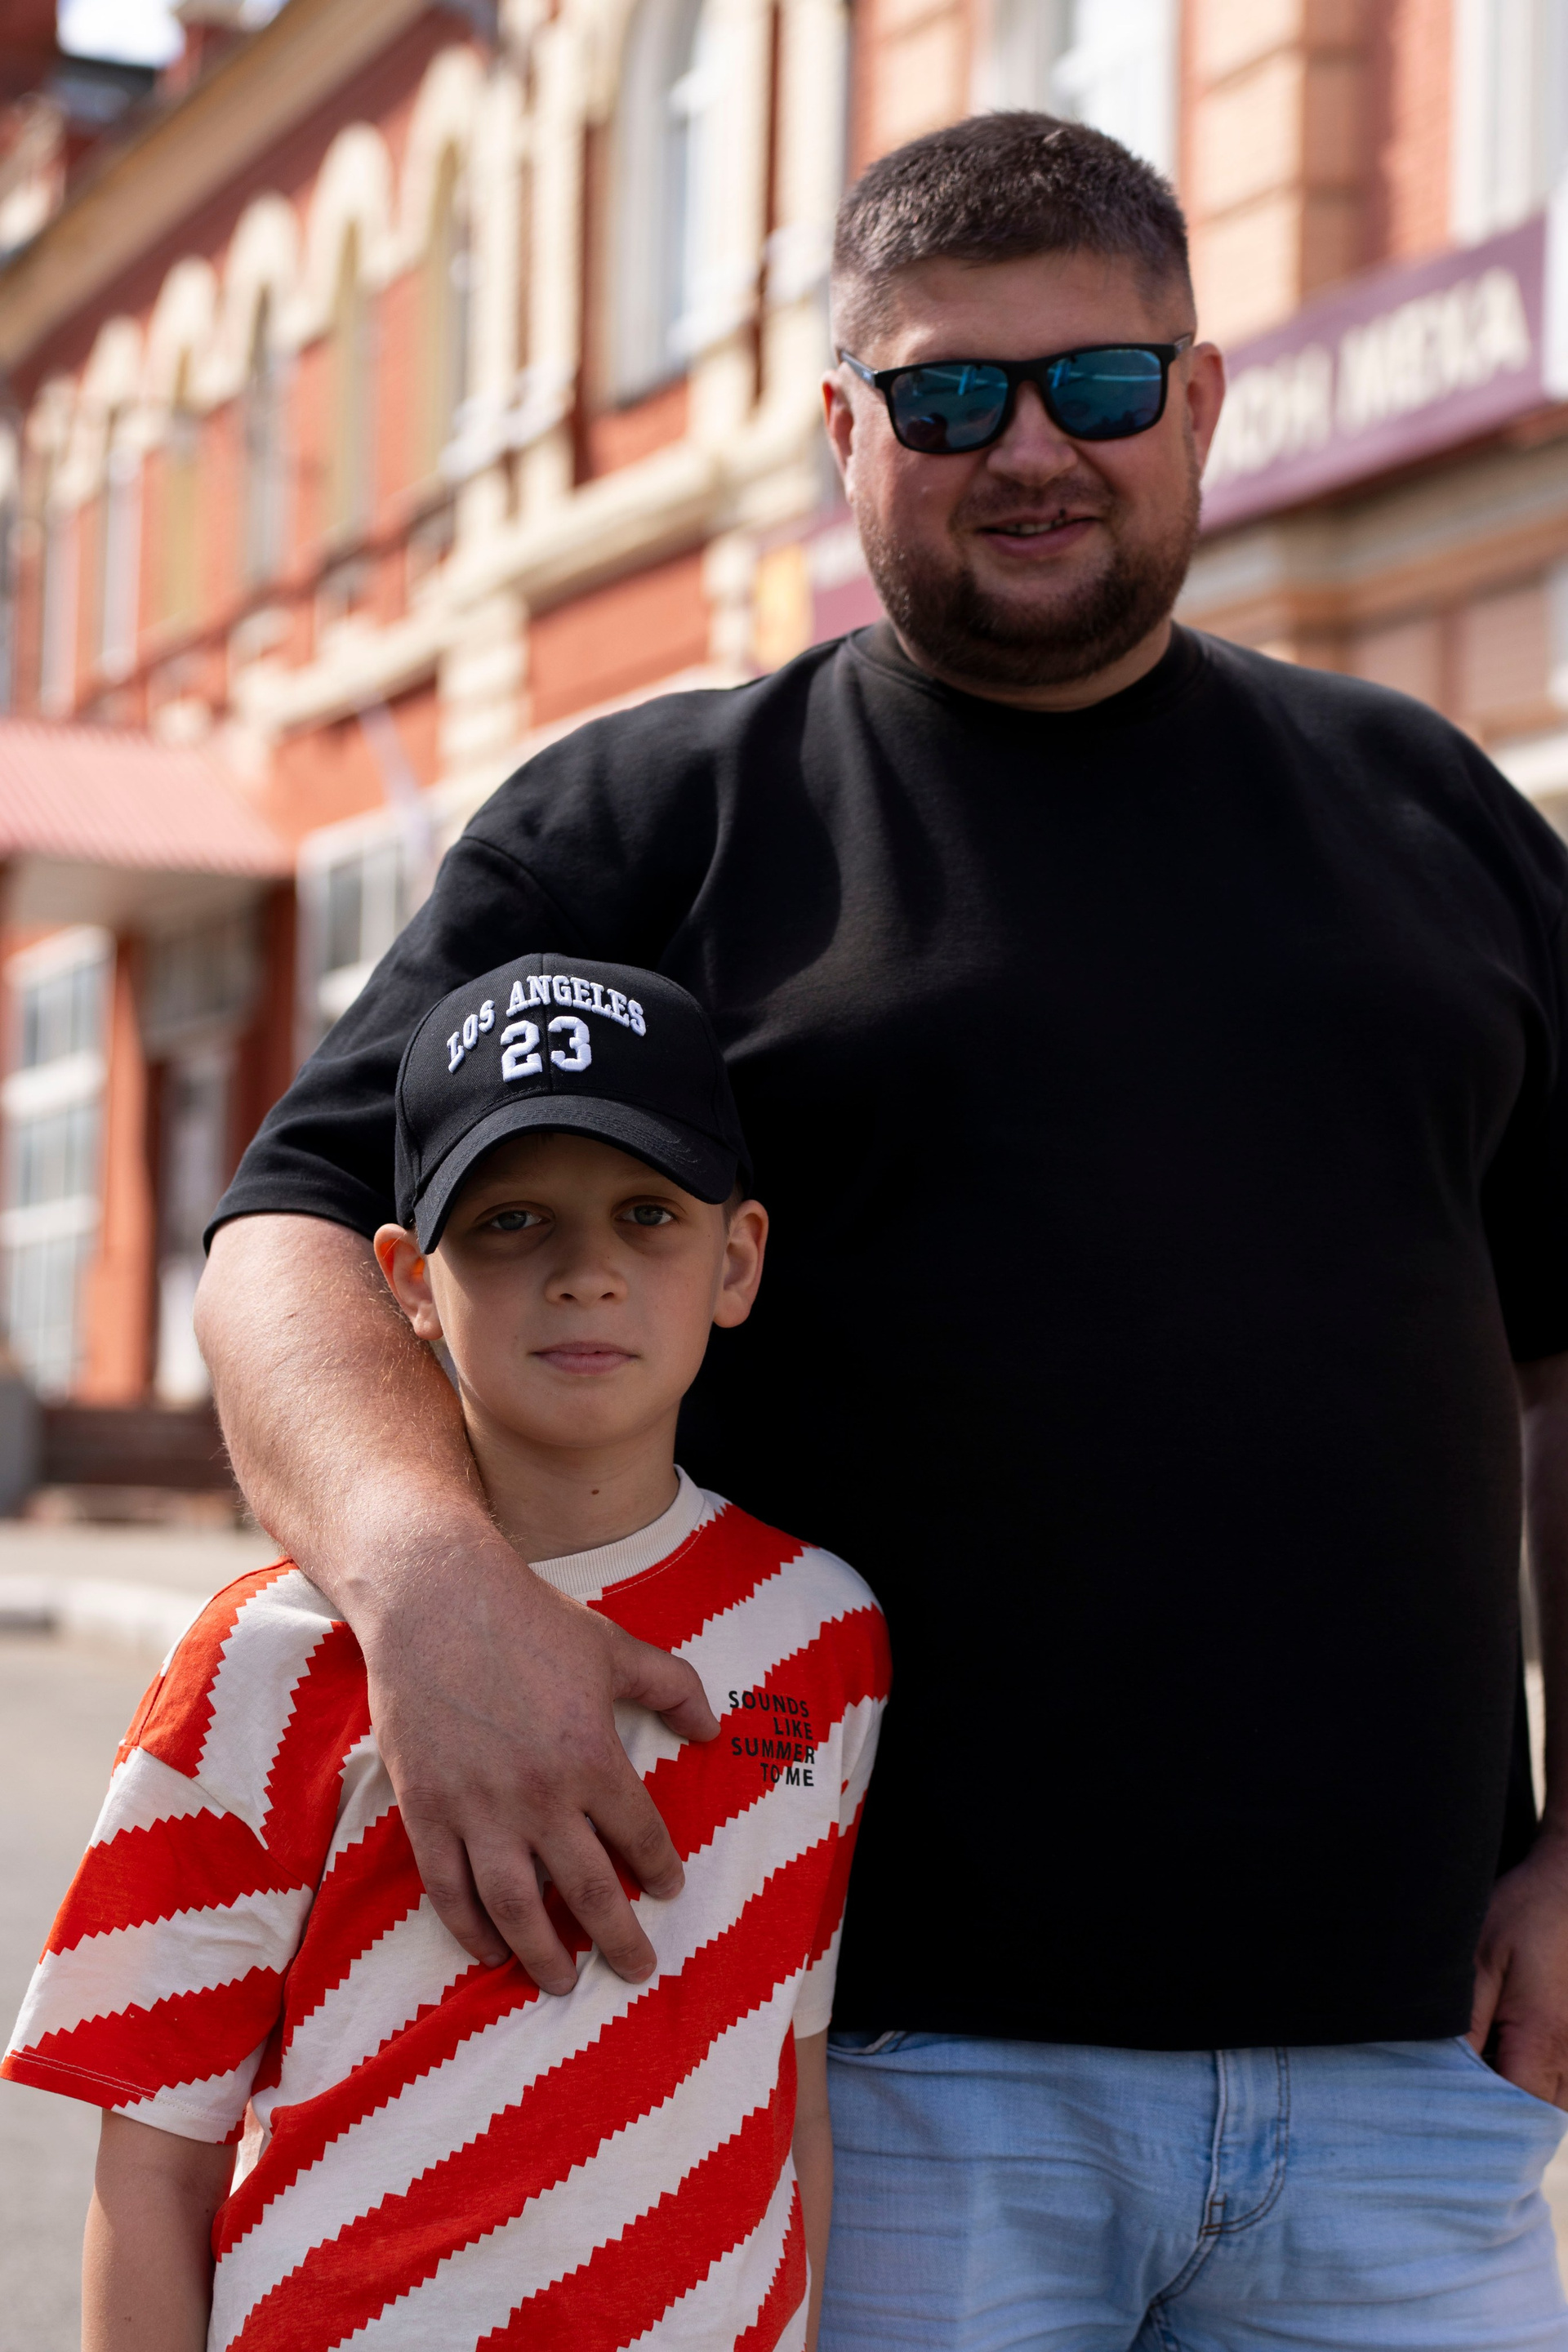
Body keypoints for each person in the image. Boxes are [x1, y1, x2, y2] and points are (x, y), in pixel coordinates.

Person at [193, 109, 1568, 2345]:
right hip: (866, 2068)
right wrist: (429, 1589)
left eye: (1098, 384)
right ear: (843, 426)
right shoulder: (653, 822)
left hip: (1406, 2077)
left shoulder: (1428, 804)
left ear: (1200, 400)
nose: (1032, 448)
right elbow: (288, 1231)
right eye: (947, 399)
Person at [4, 953, 888, 2352]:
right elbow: (155, 2154)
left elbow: (794, 2088)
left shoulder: (828, 1636)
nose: (586, 1272)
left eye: (647, 1214)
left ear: (736, 1260)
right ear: (410, 1281)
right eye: (512, 1220)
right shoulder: (264, 1657)